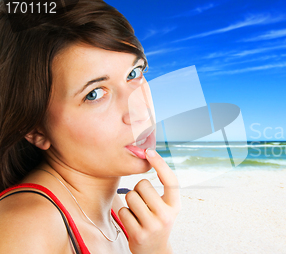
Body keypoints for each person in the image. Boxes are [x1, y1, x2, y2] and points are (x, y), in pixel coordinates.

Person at [0, 0, 180, 253]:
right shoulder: (25, 229)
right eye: (94, 94)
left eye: (134, 73)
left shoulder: (119, 208)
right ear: (34, 129)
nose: (139, 112)